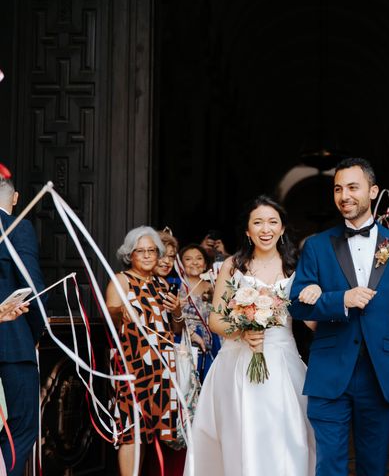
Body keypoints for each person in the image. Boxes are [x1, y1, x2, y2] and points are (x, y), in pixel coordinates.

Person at [290, 157, 389, 476]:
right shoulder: (317, 246)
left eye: (353, 187)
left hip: (380, 374)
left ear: (373, 191)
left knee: (373, 466)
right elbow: (298, 306)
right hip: (329, 371)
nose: (344, 195)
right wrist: (341, 300)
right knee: (330, 465)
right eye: (338, 189)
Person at [185, 195, 316, 476]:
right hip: (237, 362)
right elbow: (216, 319)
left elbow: (308, 318)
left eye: (272, 222)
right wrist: (242, 330)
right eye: (257, 222)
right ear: (247, 230)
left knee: (288, 436)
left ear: (282, 229)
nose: (265, 229)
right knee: (238, 436)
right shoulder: (233, 266)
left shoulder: (297, 266)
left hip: (283, 360)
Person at [105, 226, 184, 475]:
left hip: (160, 366)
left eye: (153, 250)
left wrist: (178, 311)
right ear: (130, 254)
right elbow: (111, 312)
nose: (148, 255)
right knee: (131, 431)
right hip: (133, 364)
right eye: (142, 251)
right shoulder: (122, 280)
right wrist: (121, 310)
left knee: (150, 431)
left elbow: (175, 327)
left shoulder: (161, 283)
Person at [0, 175, 46, 475]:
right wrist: (36, 332)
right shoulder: (18, 228)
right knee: (21, 425)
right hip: (11, 344)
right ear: (15, 198)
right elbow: (31, 285)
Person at [178, 243, 220, 380]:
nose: (194, 262)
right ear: (180, 263)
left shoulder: (213, 287)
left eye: (199, 258)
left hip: (210, 346)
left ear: (205, 263)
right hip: (184, 345)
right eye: (188, 259)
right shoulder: (175, 285)